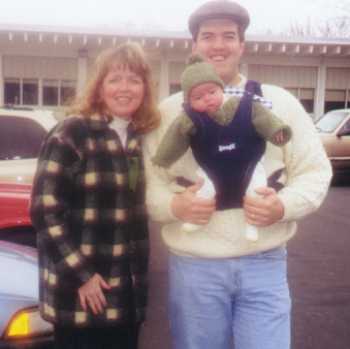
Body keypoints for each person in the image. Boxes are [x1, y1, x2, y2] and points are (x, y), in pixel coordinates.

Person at [143, 1, 332, 349]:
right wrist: (175, 207)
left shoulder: (278, 102)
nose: (218, 45)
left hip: (265, 264)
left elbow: (315, 171)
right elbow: (148, 187)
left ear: (242, 45)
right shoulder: (168, 112)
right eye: (207, 36)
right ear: (194, 46)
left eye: (228, 36)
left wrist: (283, 206)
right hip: (195, 269)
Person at [30, 42, 160, 349]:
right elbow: (44, 211)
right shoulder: (72, 132)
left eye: (134, 80)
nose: (124, 88)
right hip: (82, 297)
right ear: (99, 87)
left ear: (145, 88)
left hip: (127, 298)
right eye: (114, 80)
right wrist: (82, 274)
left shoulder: (141, 139)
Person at [152, 53, 291, 240]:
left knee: (256, 190)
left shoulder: (246, 105)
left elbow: (265, 119)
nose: (208, 99)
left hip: (251, 164)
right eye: (199, 97)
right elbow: (174, 138)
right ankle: (197, 220)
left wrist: (277, 132)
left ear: (221, 89)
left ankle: (252, 226)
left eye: (212, 92)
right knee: (204, 191)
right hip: (211, 169)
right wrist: (163, 157)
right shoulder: (189, 119)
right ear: (189, 102)